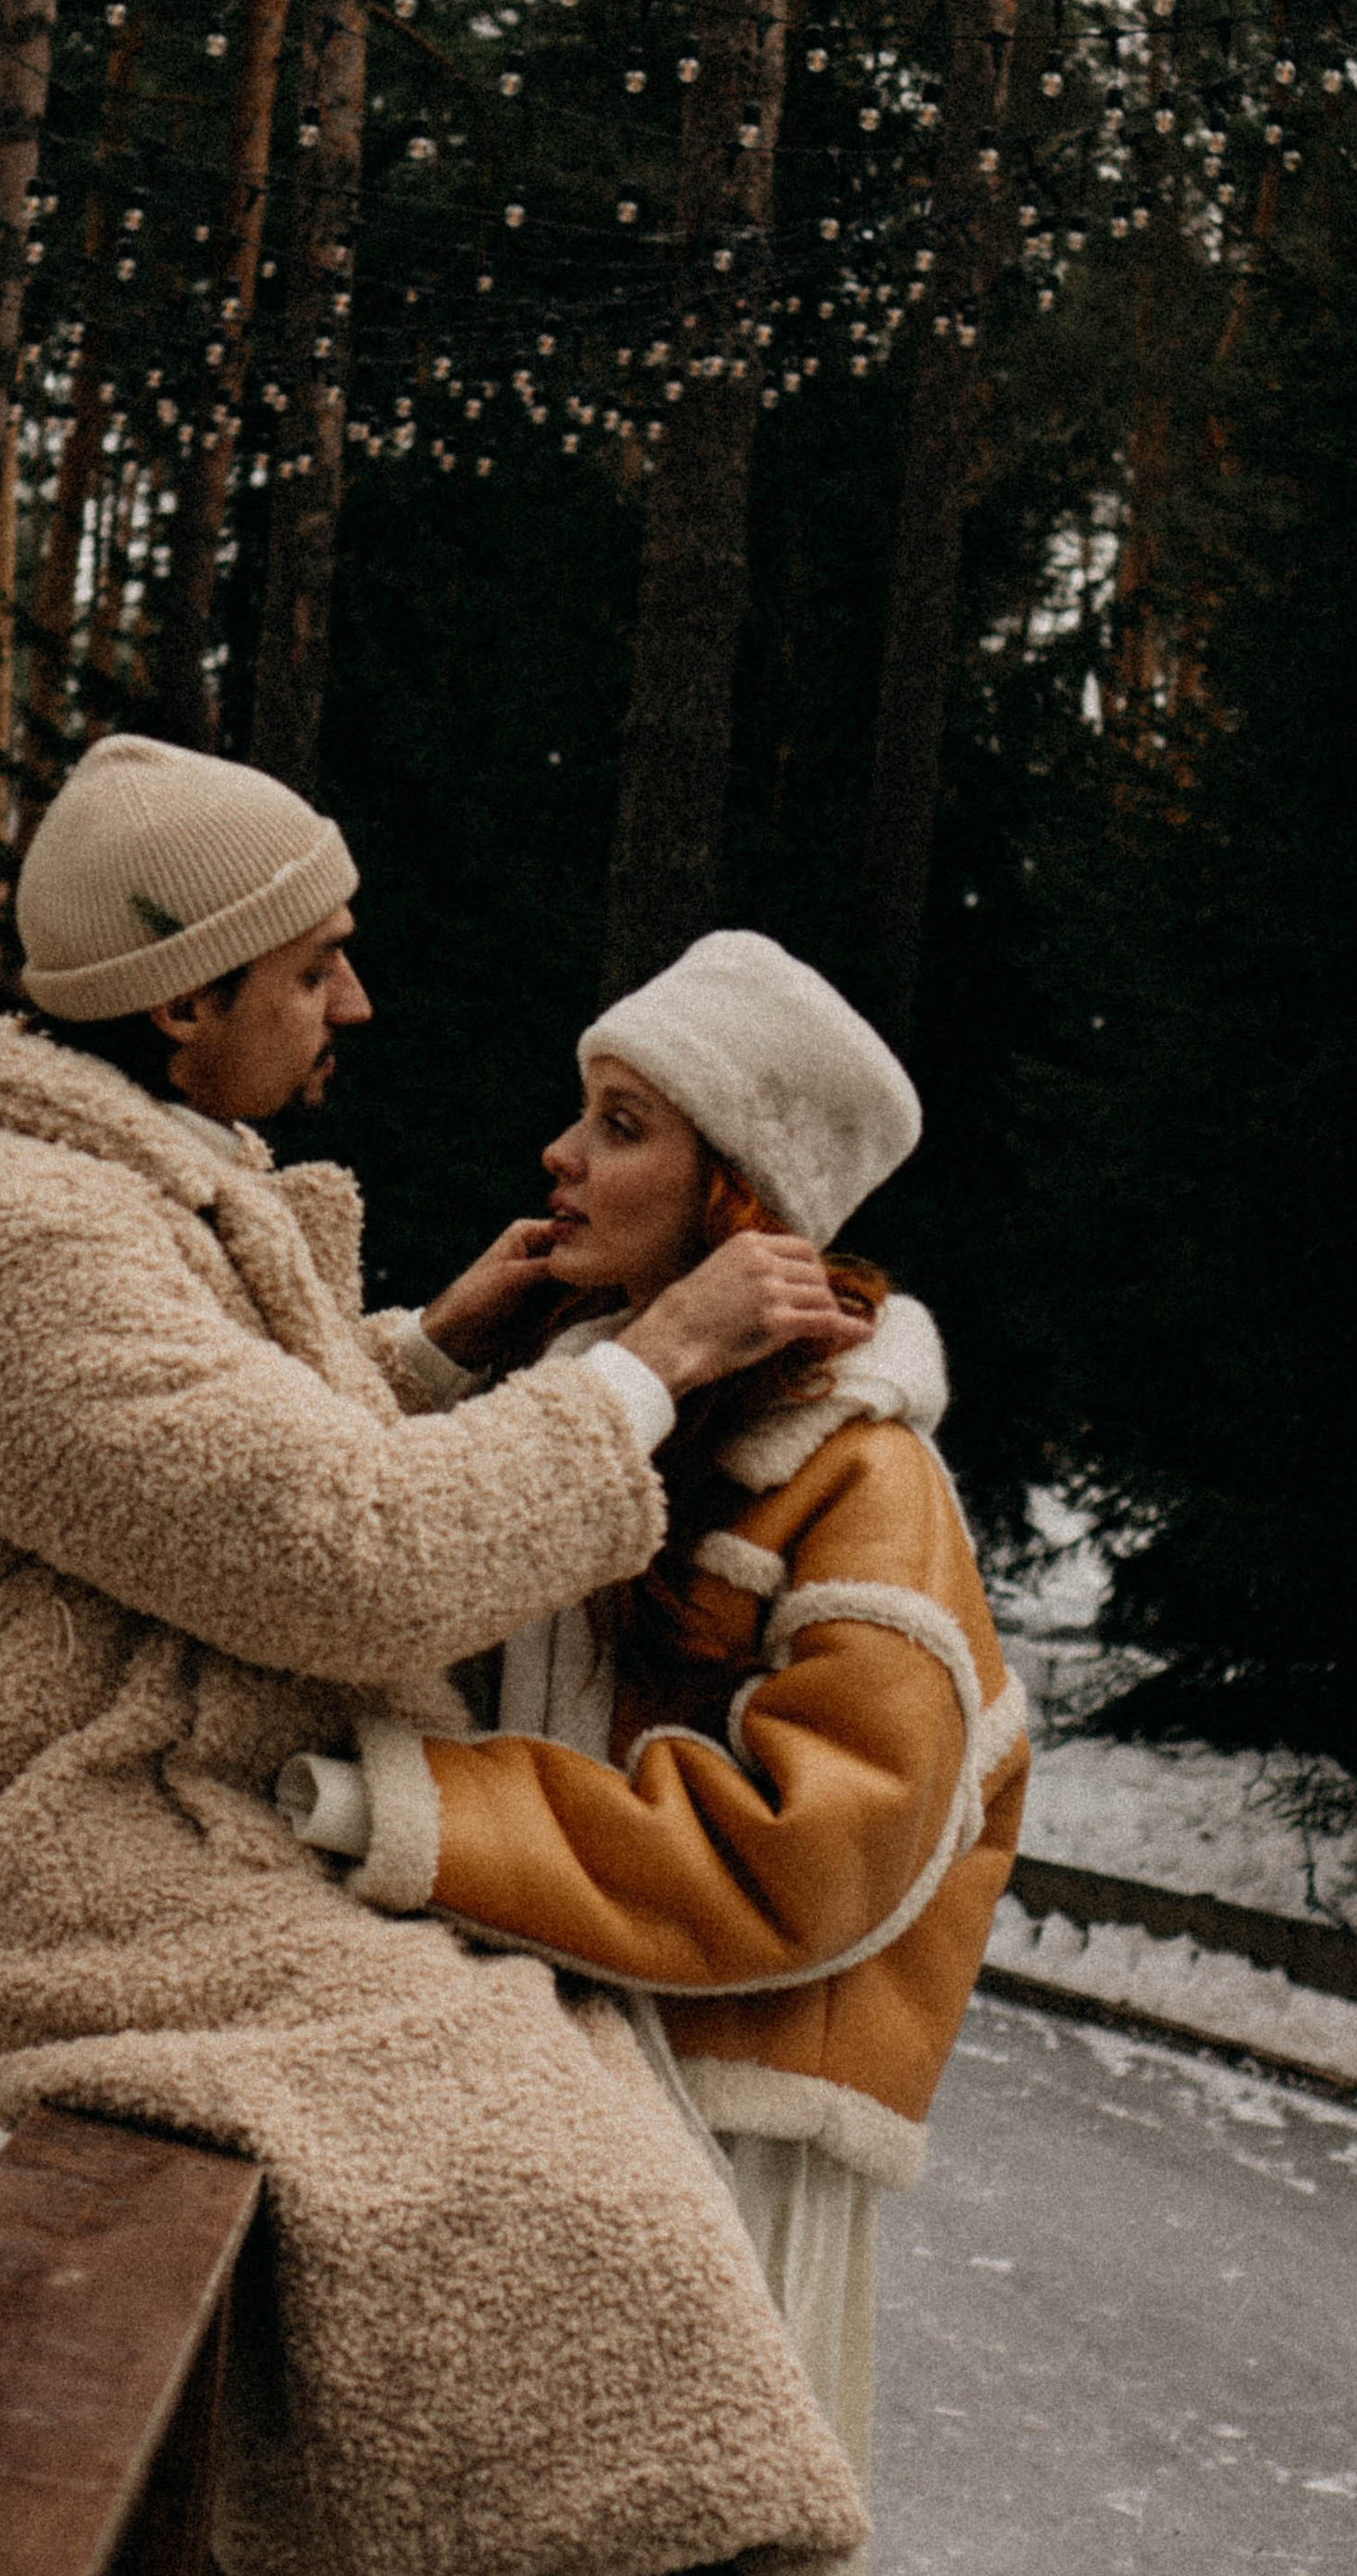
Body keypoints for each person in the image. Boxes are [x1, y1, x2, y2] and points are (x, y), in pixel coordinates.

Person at [0, 737, 870, 2576]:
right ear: (182, 997)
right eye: (315, 968)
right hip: (87, 1873)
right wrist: (655, 1359)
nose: (354, 1004)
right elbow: (348, 1563)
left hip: (182, 1828)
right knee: (562, 2182)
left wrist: (437, 1351)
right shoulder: (16, 1239)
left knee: (561, 2095)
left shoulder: (98, 1193)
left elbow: (207, 1473)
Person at [280, 932, 1029, 2518]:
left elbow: (812, 1855)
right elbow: (345, 1557)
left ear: (737, 1197)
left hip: (727, 2139)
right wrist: (446, 1360)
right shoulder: (585, 1407)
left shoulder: (862, 1476)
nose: (560, 1154)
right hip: (556, 2109)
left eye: (621, 1124)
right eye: (581, 1110)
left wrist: (414, 1811)